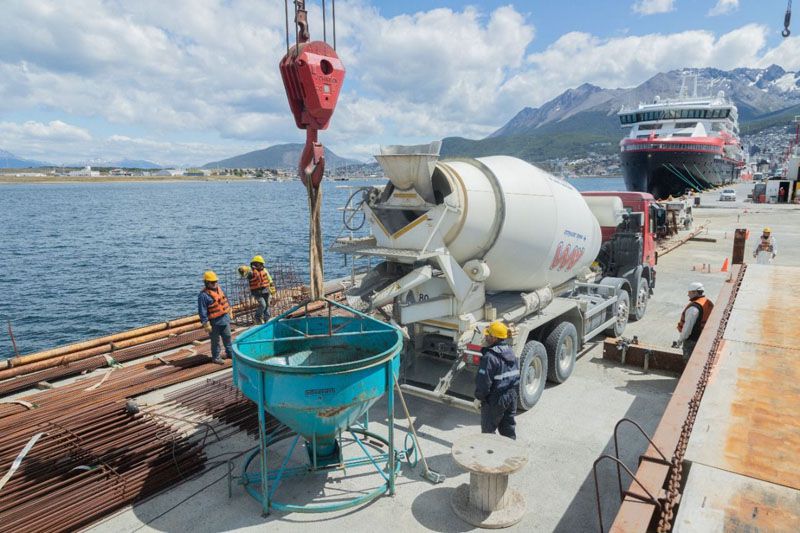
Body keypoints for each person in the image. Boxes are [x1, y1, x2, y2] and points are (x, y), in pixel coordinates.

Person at [474, 321, 520, 440]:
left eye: (488, 335)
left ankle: (490, 456)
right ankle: (510, 453)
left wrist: (479, 398)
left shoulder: (490, 357)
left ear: (494, 338)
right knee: (508, 429)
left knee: (488, 432)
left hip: (496, 399)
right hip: (512, 395)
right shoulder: (510, 351)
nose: (485, 337)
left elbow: (484, 382)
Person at [198, 271, 233, 364]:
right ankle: (216, 357)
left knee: (228, 337)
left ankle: (230, 353)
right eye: (212, 282)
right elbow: (202, 311)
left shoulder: (219, 290)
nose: (215, 284)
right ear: (207, 283)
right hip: (214, 323)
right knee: (215, 341)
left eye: (216, 281)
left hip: (224, 319)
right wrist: (206, 323)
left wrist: (230, 310)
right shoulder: (203, 296)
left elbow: (226, 300)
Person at [674, 282, 714, 360]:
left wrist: (680, 340)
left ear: (695, 292)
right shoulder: (707, 303)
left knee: (688, 362)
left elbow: (687, 328)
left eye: (689, 292)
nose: (688, 295)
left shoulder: (694, 308)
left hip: (692, 341)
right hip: (704, 338)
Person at [238, 255, 276, 324]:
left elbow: (269, 279)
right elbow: (245, 273)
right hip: (257, 292)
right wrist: (242, 270)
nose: (261, 265)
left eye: (261, 264)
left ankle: (267, 319)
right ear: (254, 263)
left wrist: (272, 287)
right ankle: (257, 317)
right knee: (263, 305)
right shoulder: (251, 271)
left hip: (266, 290)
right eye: (259, 263)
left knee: (267, 305)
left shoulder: (264, 270)